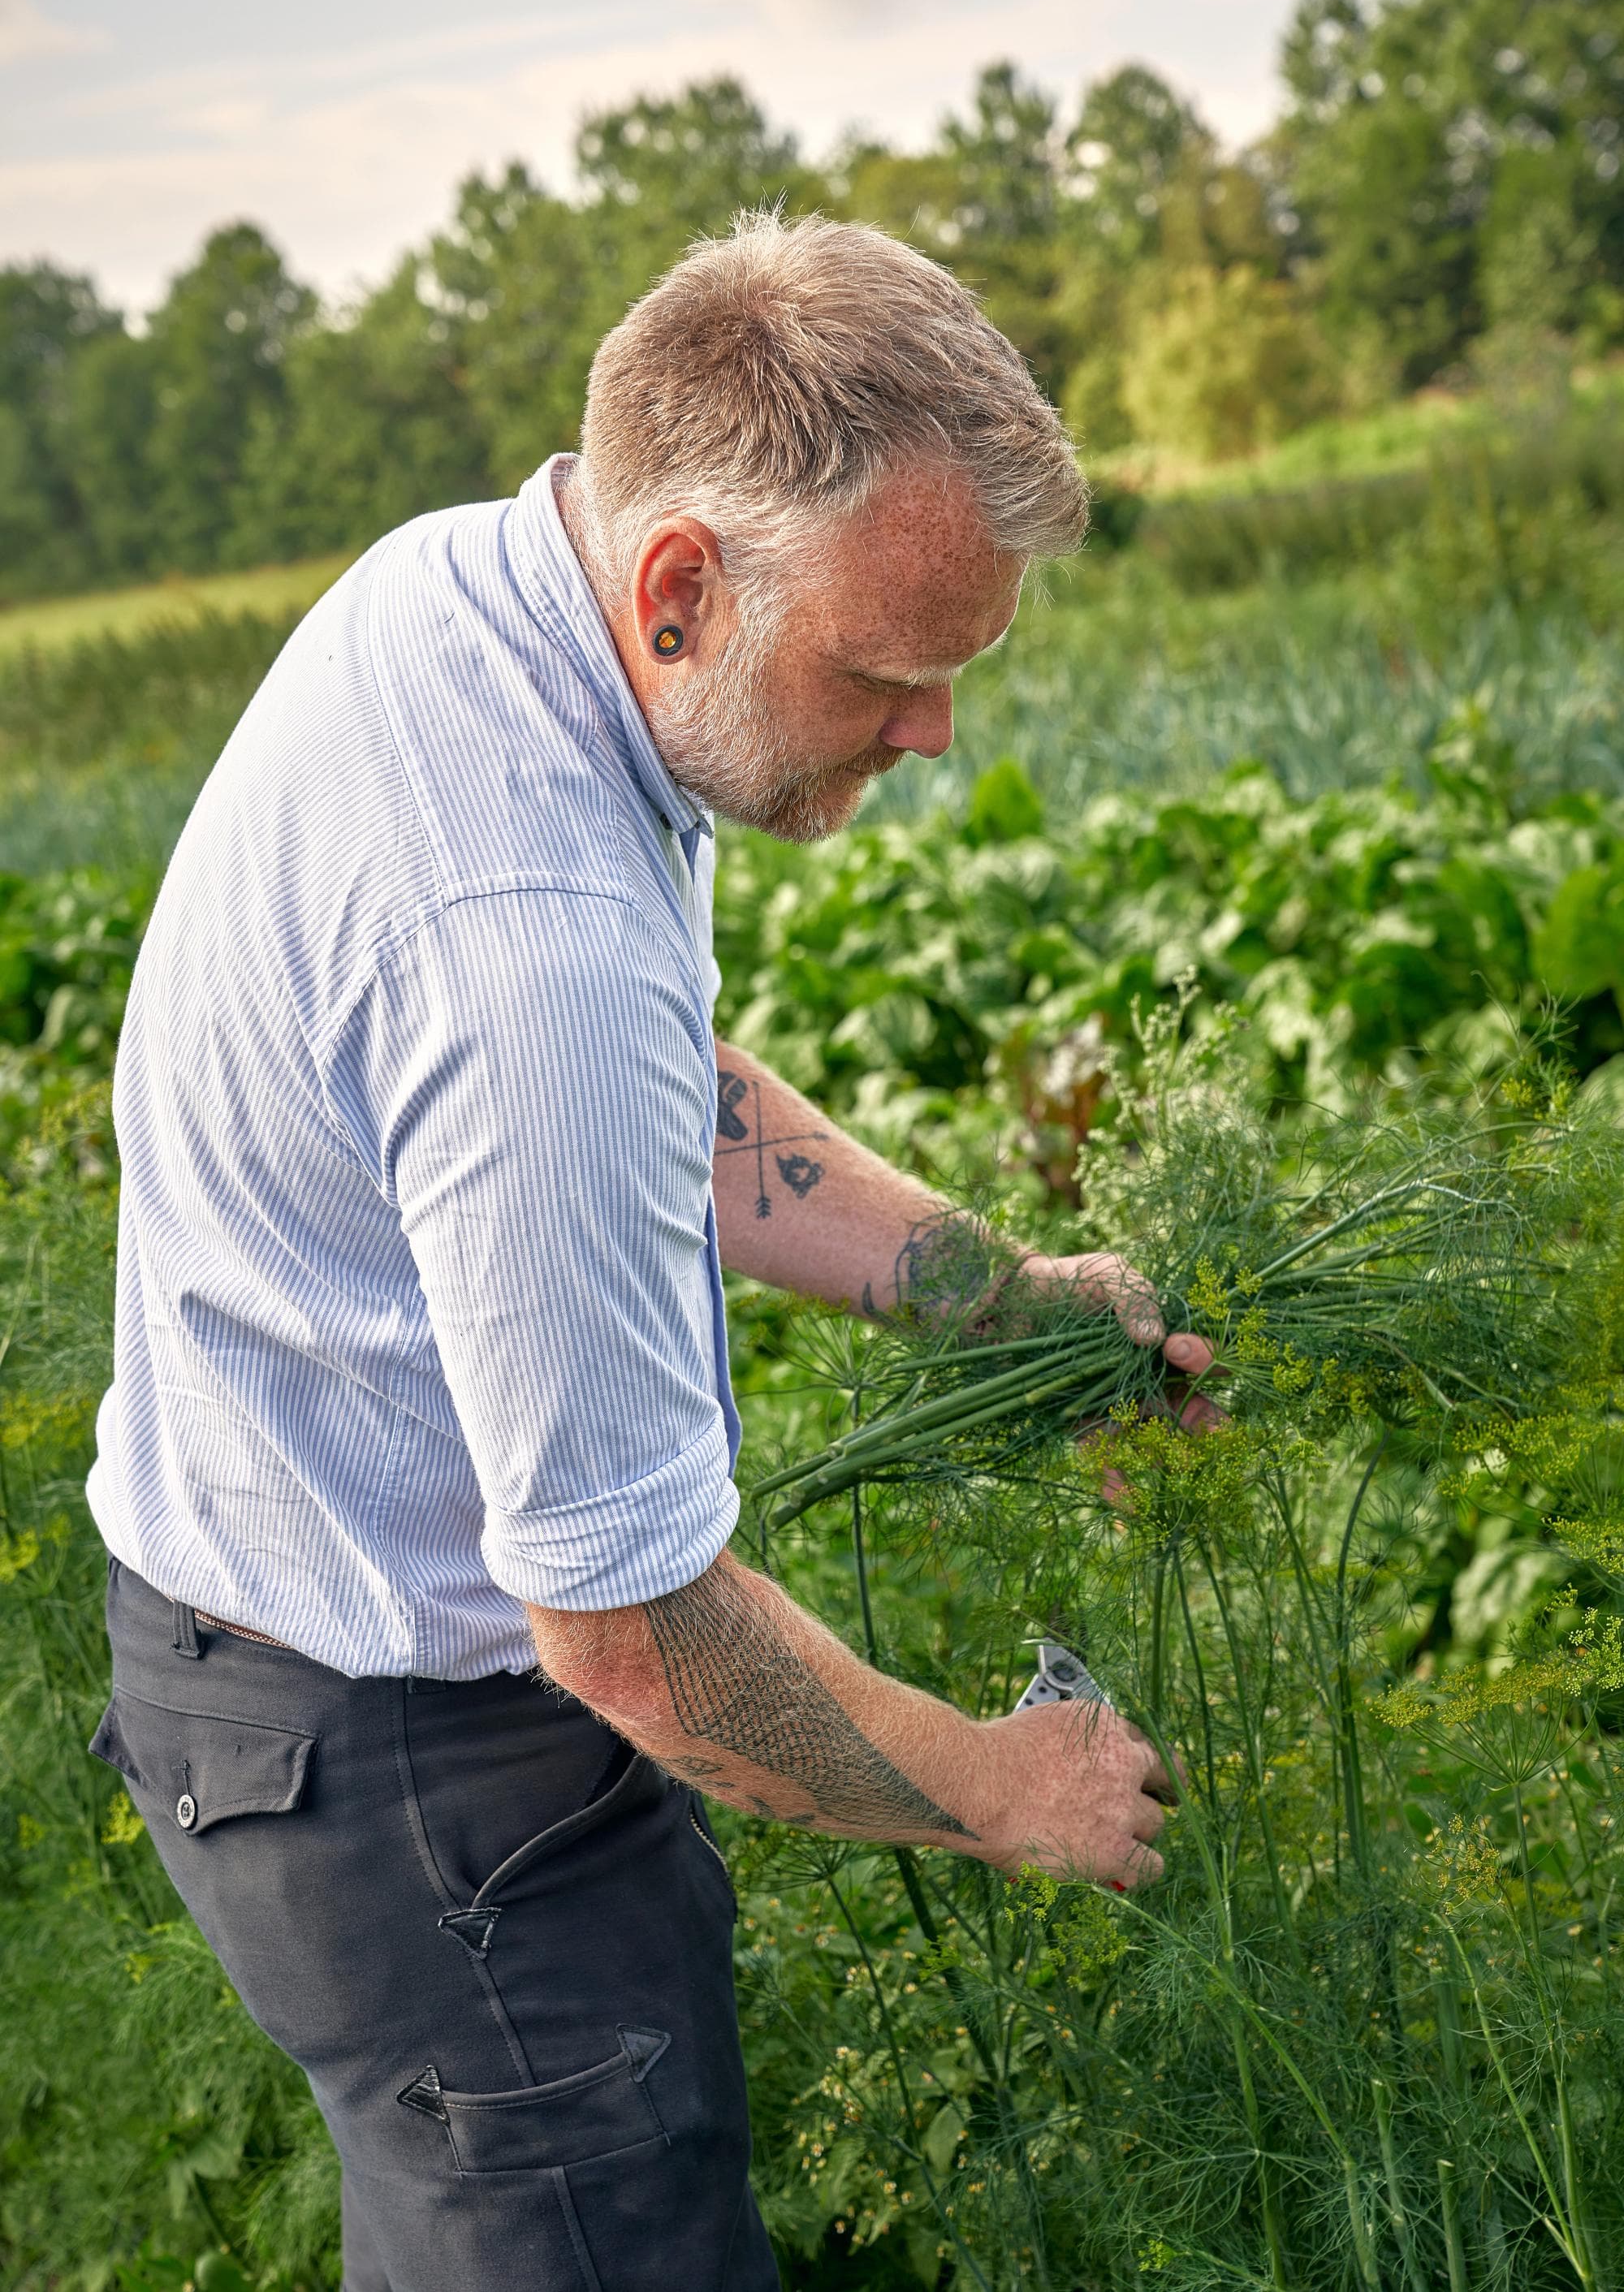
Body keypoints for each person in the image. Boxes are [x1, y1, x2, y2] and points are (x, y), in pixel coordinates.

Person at [86, 212, 1212, 2292]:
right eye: (889, 675)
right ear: (683, 584)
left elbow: (655, 1094)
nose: (931, 737)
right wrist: (1000, 1786)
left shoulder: (487, 588)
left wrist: (985, 1288)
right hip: (408, 1769)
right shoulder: (522, 950)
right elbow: (627, 1640)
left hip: (287, 1666)